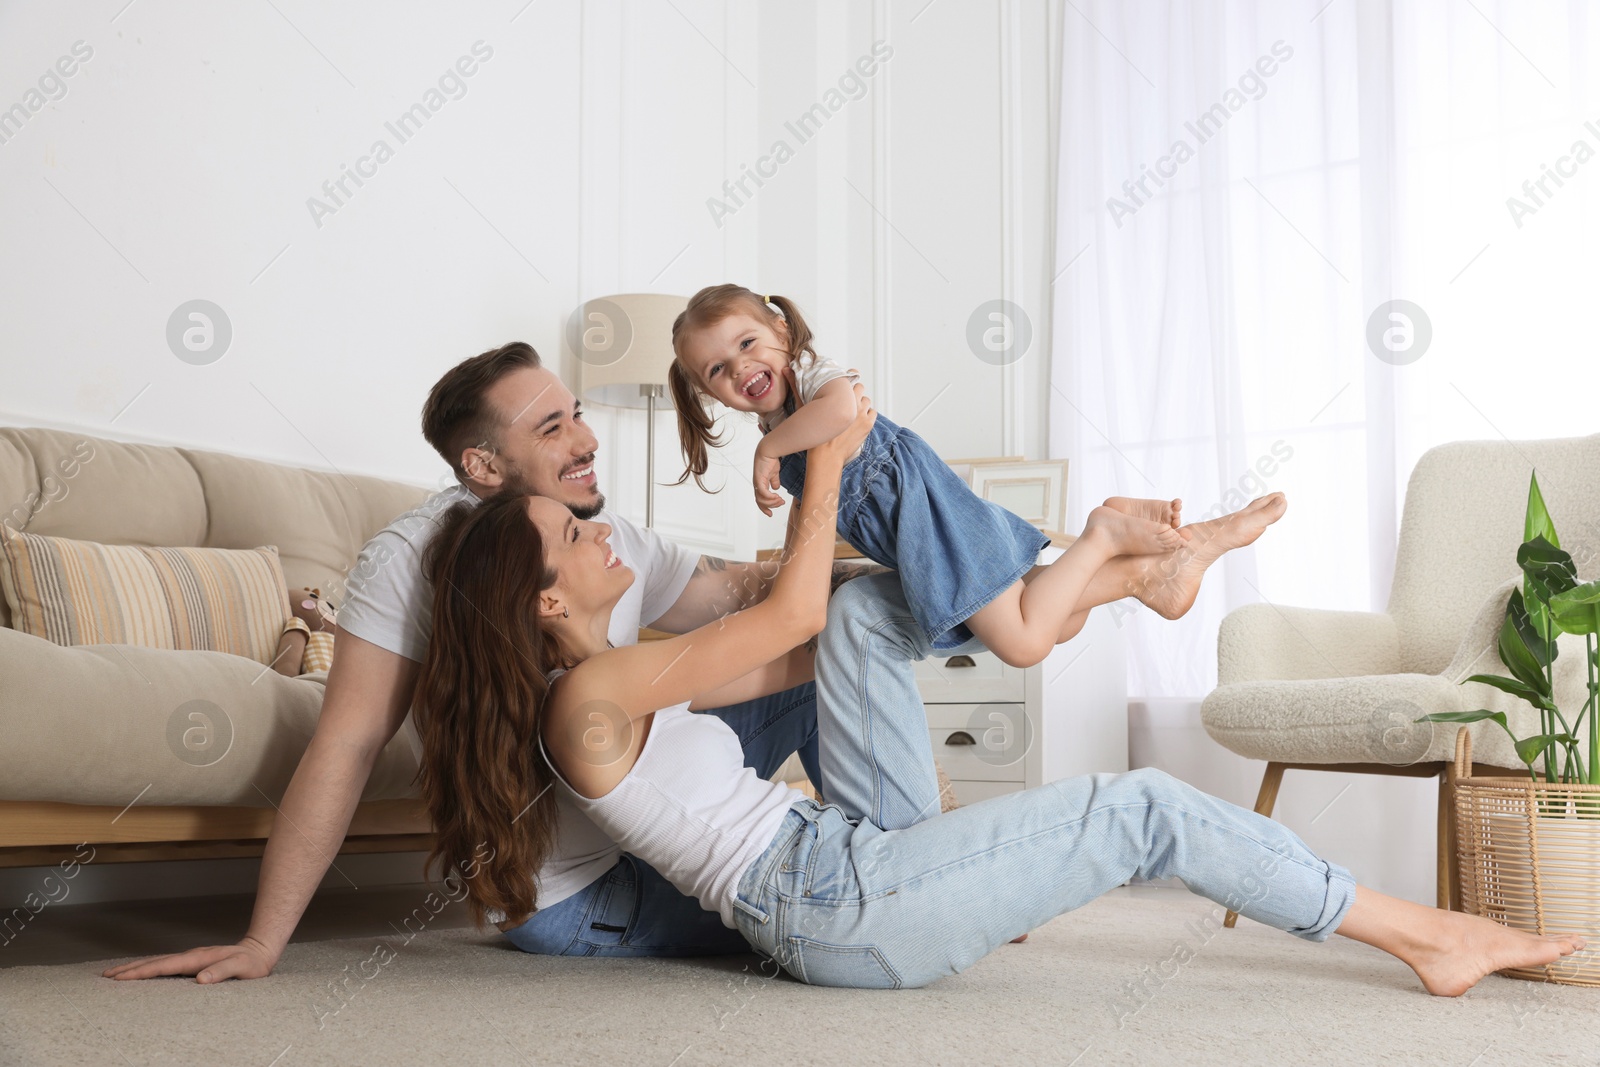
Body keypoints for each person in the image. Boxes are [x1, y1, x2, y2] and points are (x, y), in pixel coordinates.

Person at [417, 397, 1588, 994]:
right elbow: (787, 620)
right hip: (836, 906)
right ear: (537, 598)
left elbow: (823, 637)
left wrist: (1033, 577)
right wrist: (826, 454)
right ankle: (1431, 936)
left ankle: (1124, 572)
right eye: (574, 532)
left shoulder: (602, 682)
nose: (598, 527)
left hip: (840, 851)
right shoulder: (592, 700)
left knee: (879, 605)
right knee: (1140, 806)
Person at [102, 340, 881, 982]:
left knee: (841, 650)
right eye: (552, 429)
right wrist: (262, 941)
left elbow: (733, 597)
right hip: (586, 892)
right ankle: (888, 883)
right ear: (480, 467)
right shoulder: (409, 561)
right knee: (850, 911)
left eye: (576, 414)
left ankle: (893, 855)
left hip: (638, 819)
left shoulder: (592, 529)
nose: (585, 439)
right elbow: (347, 741)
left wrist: (877, 575)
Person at [668, 283, 1199, 669]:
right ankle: (1139, 571)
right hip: (912, 539)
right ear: (707, 393)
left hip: (929, 519)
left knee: (1023, 644)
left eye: (746, 343)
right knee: (1062, 622)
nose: (739, 367)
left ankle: (1102, 535)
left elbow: (842, 412)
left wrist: (769, 449)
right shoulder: (779, 420)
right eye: (716, 369)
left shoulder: (809, 374)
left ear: (780, 328)